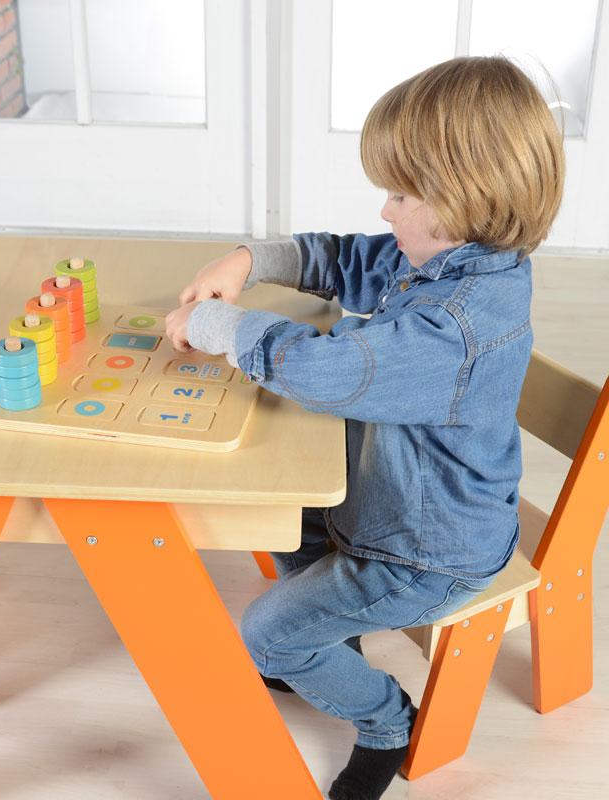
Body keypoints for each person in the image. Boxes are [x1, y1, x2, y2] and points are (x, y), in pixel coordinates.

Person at [164, 55, 564, 800]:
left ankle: (386, 723)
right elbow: (343, 258)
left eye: (400, 193)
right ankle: (324, 643)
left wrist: (220, 322)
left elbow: (324, 372)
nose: (384, 211)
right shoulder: (447, 259)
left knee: (266, 631)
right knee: (286, 517)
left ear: (463, 200)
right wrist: (251, 258)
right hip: (386, 505)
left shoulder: (455, 325)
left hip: (429, 554)